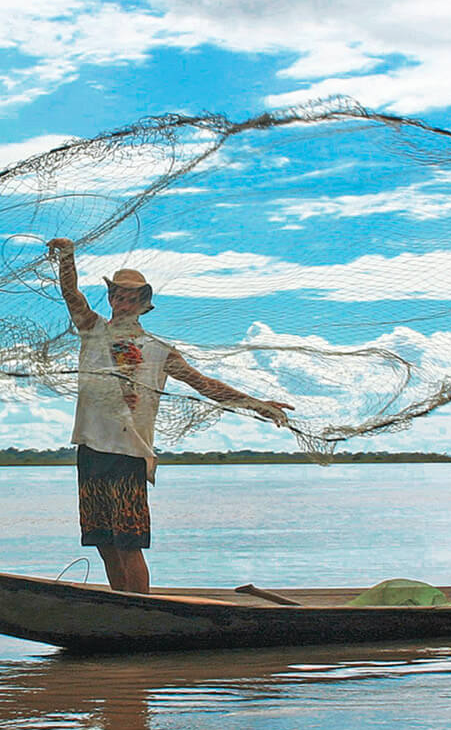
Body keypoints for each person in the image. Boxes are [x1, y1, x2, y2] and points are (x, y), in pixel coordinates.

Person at [48, 237, 294, 593]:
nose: (124, 302)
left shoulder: (159, 351)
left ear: (143, 305)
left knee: (129, 543)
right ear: (111, 299)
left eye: (132, 298)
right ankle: (122, 608)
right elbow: (71, 294)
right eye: (118, 295)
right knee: (103, 541)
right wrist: (67, 257)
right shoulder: (93, 330)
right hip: (91, 450)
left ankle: (141, 610)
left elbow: (204, 384)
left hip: (129, 454)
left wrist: (259, 404)